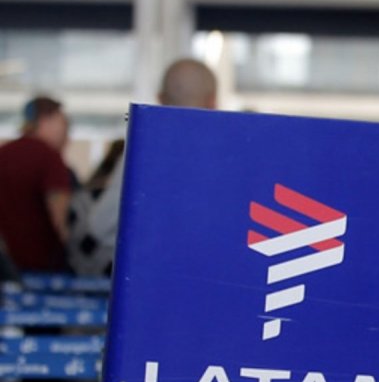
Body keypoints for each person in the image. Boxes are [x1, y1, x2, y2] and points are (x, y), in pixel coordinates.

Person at [71, 59, 217, 276]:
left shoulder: (143, 150)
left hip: (146, 283)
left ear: (159, 99)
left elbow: (100, 225)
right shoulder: (229, 157)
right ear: (212, 100)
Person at [0, 95, 73, 273]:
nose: (67, 132)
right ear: (45, 121)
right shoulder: (49, 157)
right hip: (41, 270)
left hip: (7, 266)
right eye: (63, 122)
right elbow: (60, 218)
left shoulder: (3, 153)